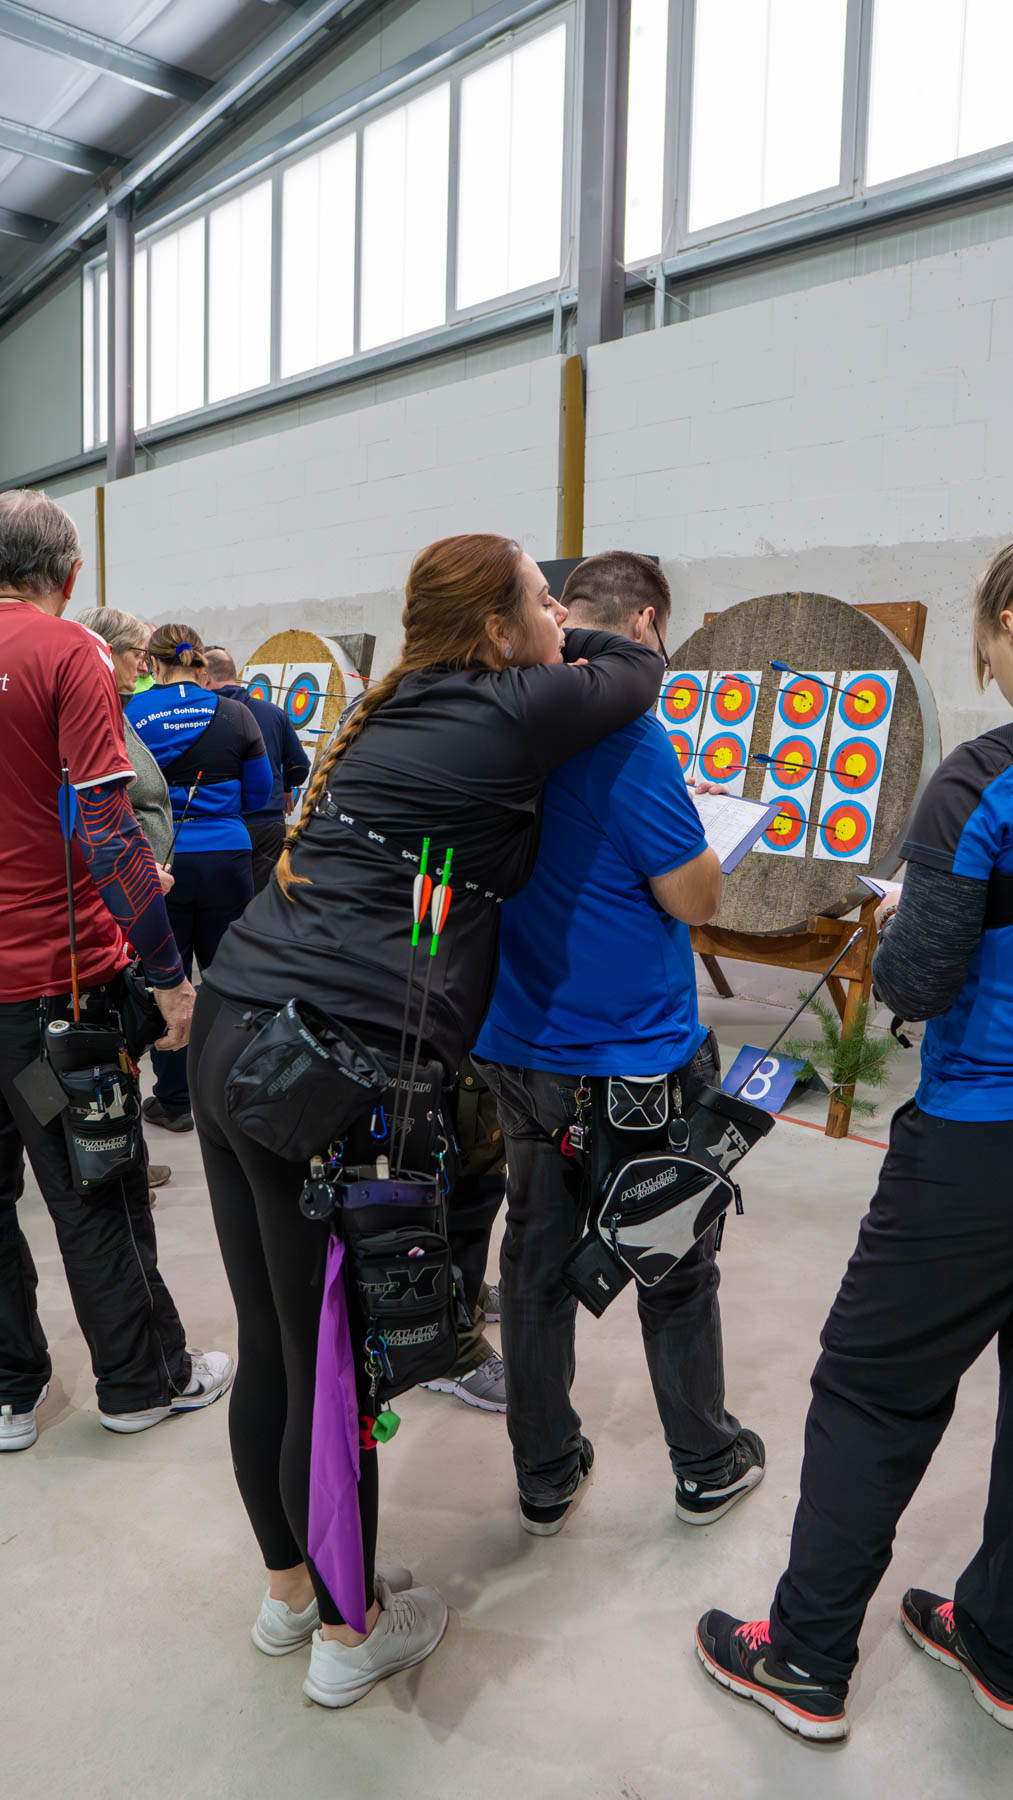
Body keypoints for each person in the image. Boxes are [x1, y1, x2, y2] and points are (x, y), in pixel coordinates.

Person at [187, 533, 663, 1709]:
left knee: (275, 1343)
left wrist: (542, 626)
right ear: (497, 631)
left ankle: (291, 1592)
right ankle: (349, 1633)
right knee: (331, 1364)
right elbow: (637, 668)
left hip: (237, 1026)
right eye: (543, 601)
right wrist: (581, 636)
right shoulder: (506, 707)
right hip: (322, 1071)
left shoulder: (404, 701)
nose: (560, 619)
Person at [696, 543, 1013, 1742]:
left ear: (997, 628)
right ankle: (999, 1640)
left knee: (872, 1392)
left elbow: (918, 981)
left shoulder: (981, 780)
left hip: (980, 1145)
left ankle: (805, 1658)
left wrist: (909, 909)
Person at [473, 552, 764, 1535]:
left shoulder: (489, 720)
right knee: (668, 1252)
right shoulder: (624, 734)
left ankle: (544, 1472)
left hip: (519, 1045)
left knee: (534, 1257)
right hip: (635, 1054)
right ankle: (705, 1461)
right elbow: (692, 895)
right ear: (641, 626)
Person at [0, 489, 234, 1450]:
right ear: (69, 574)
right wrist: (169, 971)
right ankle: (144, 1381)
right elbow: (106, 824)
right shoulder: (70, 651)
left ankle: (10, 1395)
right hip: (54, 993)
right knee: (95, 1188)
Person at [127, 626, 272, 1131]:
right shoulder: (237, 713)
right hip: (228, 857)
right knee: (229, 975)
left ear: (151, 663)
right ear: (200, 663)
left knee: (166, 973)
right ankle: (237, 1090)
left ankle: (173, 1101)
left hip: (159, 861)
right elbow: (260, 793)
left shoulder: (132, 712)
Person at [76, 605, 176, 1193]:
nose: (145, 666)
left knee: (121, 1045)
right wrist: (140, 875)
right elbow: (98, 823)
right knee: (112, 1043)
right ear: (107, 651)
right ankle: (119, 1163)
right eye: (139, 654)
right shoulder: (92, 711)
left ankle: (127, 1154)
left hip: (128, 899)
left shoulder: (114, 708)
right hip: (114, 906)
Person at [202, 646, 310, 893]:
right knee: (261, 897)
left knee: (223, 898)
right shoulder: (273, 712)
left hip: (222, 823)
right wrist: (286, 788)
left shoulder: (204, 714)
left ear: (205, 678)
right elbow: (300, 764)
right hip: (267, 824)